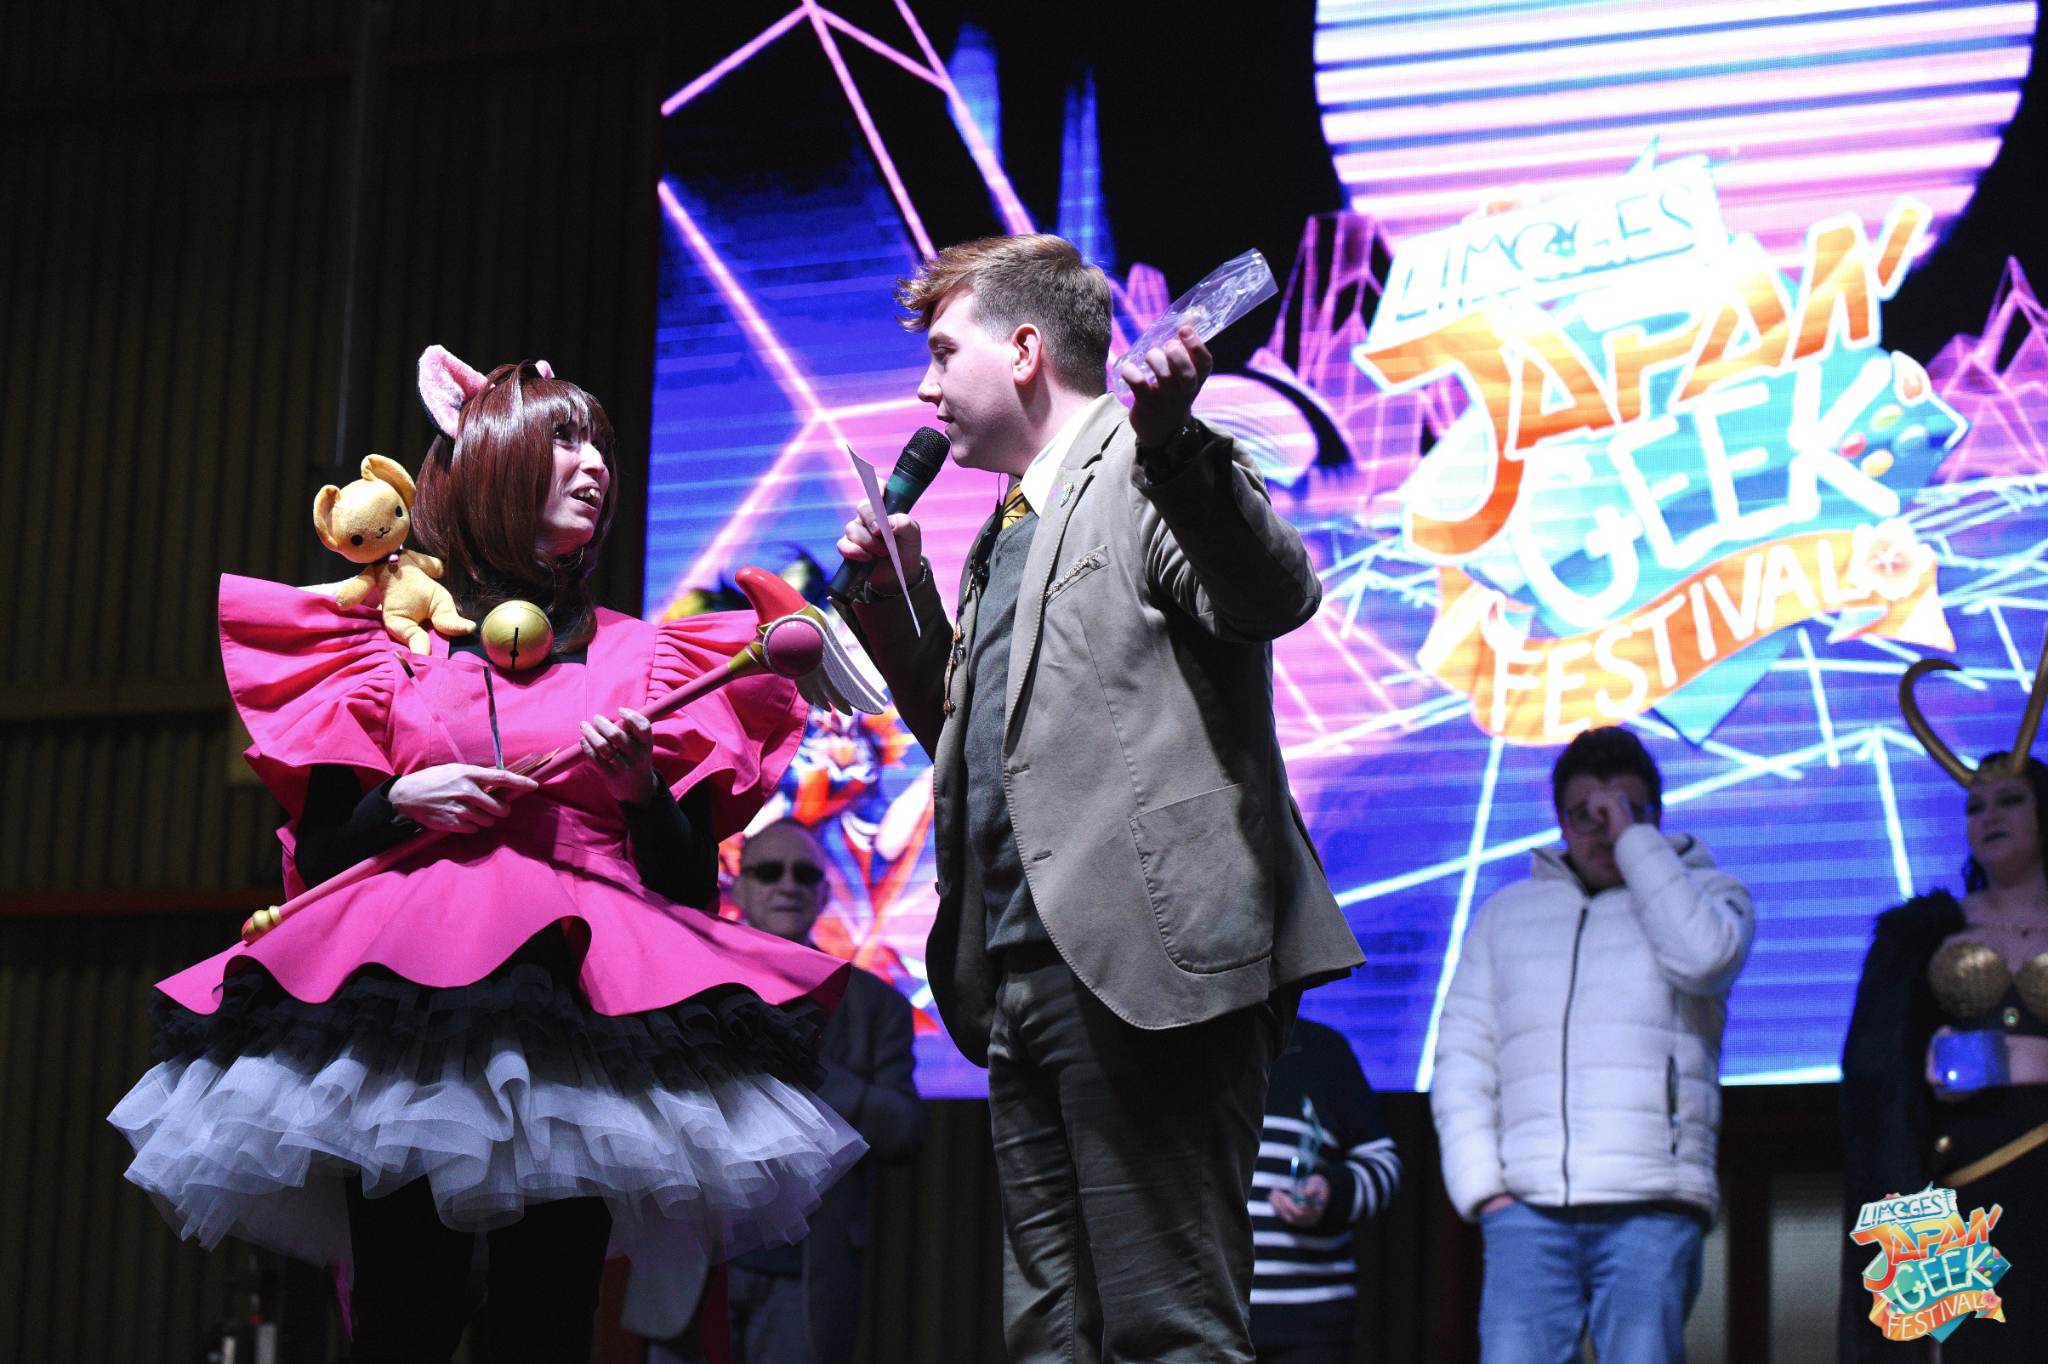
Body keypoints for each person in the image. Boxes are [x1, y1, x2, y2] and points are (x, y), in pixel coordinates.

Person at [110, 349, 864, 1363]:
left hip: (576, 1015)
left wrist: (639, 790)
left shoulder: (650, 658)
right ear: (496, 463)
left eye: (599, 444)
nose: (595, 464)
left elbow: (685, 886)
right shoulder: (384, 655)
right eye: (563, 440)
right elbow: (321, 854)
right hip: (406, 1008)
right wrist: (398, 800)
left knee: (546, 1322)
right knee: (399, 1317)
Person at [834, 232, 1363, 1363]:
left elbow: (1272, 595)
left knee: (1168, 1329)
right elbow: (977, 745)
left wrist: (1175, 447)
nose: (924, 388)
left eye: (943, 352)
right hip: (1019, 973)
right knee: (1049, 1335)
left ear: (1026, 350)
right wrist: (895, 597)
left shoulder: (1141, 464)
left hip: (1143, 965)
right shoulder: (1003, 532)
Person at [1430, 726, 1754, 1364]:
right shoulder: (1507, 915)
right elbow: (1463, 1058)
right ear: (1560, 822)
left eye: (1624, 810)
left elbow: (1705, 959)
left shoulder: (1712, 895)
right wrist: (1484, 1190)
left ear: (1655, 814)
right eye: (1585, 814)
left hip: (1652, 1204)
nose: (1604, 829)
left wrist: (1636, 843)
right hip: (1526, 1209)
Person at [635, 818, 927, 1364]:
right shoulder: (689, 986)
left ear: (824, 893)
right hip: (694, 1267)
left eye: (804, 874)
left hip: (807, 1276)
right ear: (739, 887)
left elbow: (904, 1132)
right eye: (769, 872)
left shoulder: (877, 1006)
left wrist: (808, 1072)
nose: (788, 884)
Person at [1838, 648, 2048, 1362]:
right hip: (1962, 1179)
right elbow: (1885, 1108)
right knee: (1964, 1351)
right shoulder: (1919, 940)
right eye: (1974, 806)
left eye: (2010, 800)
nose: (1989, 816)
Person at [1249, 1016, 1402, 1364]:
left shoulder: (1323, 1050)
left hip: (1309, 1322)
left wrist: (1331, 1194)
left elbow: (1384, 1165)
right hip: (1198, 1317)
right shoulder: (1189, 1048)